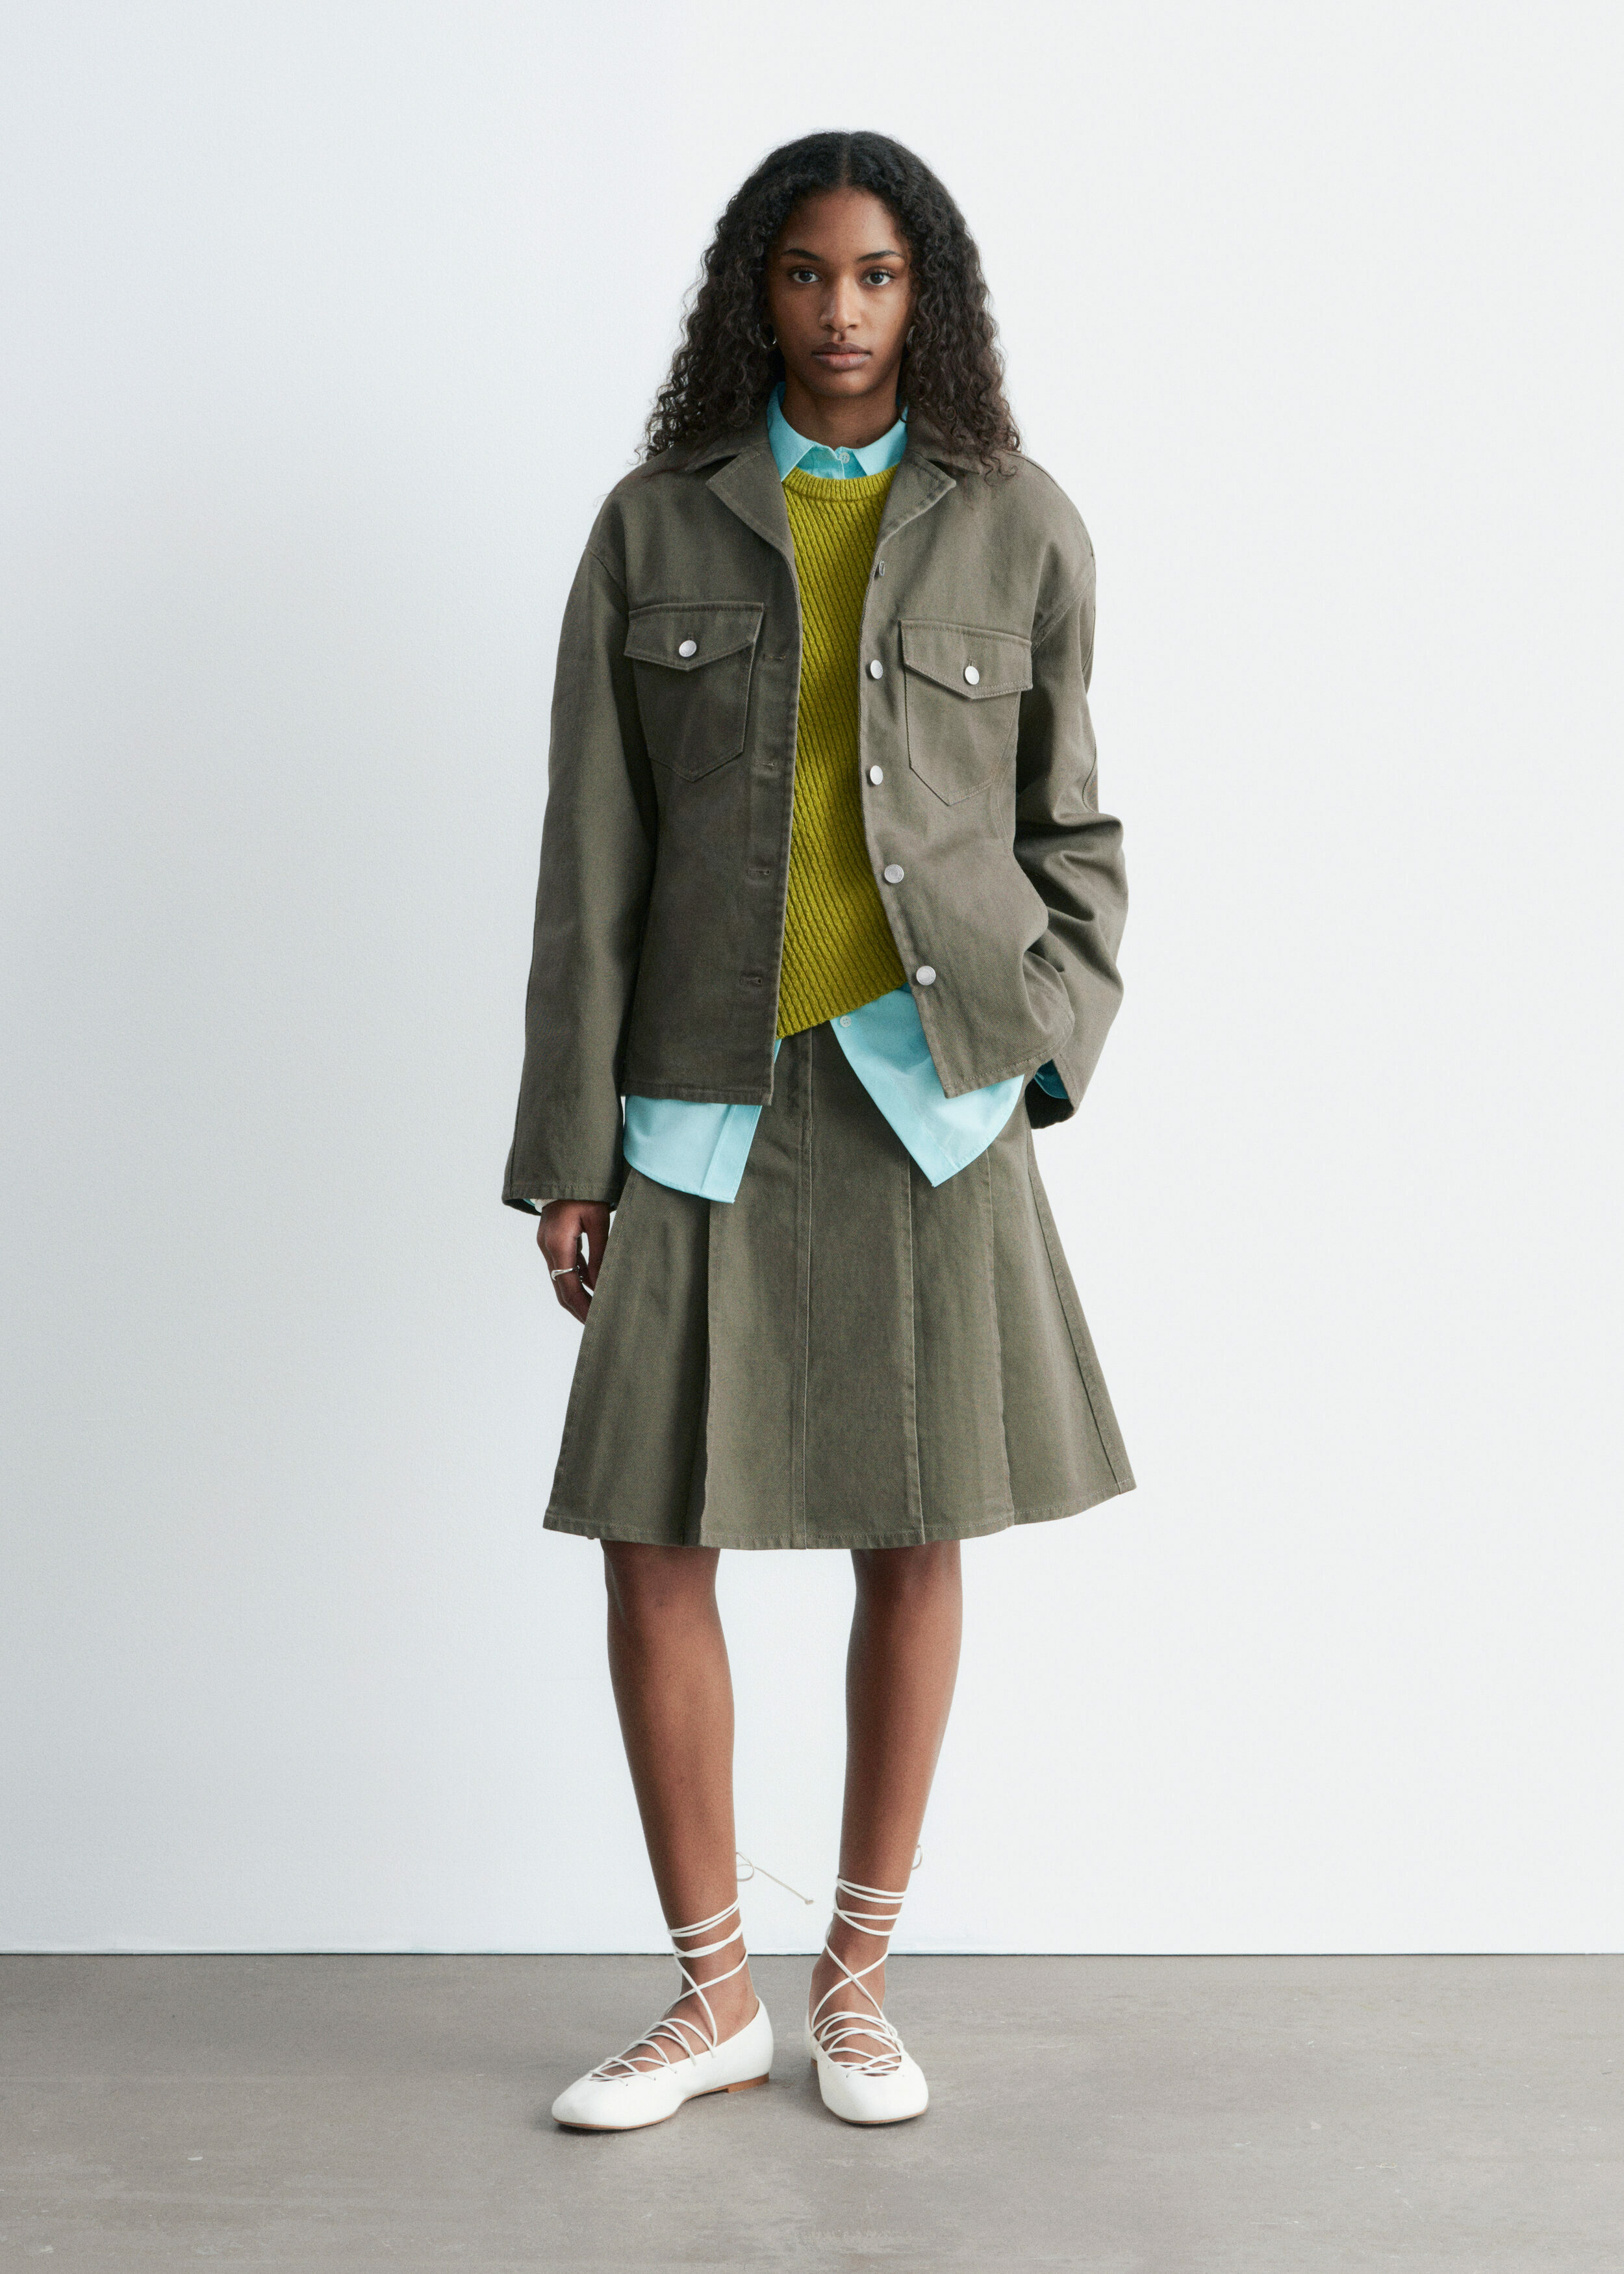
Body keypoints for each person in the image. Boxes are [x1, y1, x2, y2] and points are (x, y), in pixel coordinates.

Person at [503, 129, 1135, 2131]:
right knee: (647, 1534)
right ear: (751, 295)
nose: (841, 310)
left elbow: (1071, 832)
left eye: (874, 274)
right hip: (698, 1089)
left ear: (922, 294)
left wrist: (1042, 1047)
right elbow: (590, 855)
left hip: (926, 1095)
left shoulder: (1020, 523)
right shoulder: (653, 526)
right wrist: (569, 1146)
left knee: (914, 1521)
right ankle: (712, 1996)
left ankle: (853, 1985)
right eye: (804, 273)